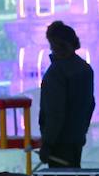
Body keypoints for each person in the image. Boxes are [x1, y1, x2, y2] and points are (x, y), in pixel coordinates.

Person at [37, 21, 95, 168]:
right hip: (76, 139)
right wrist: (81, 131)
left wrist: (47, 143)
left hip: (58, 143)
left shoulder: (57, 72)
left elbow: (55, 112)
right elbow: (90, 105)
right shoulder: (85, 68)